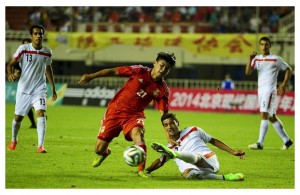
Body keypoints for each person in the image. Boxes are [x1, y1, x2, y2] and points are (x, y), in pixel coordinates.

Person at [78, 52, 176, 178]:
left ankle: (141, 170)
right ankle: (104, 153)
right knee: (98, 149)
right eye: (161, 65)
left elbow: (164, 115)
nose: (163, 70)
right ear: (155, 63)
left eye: (167, 69)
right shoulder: (139, 71)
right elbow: (113, 71)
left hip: (134, 116)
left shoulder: (163, 90)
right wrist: (91, 76)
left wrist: (168, 135)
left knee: (138, 135)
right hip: (115, 111)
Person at [145, 113, 245, 181]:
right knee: (187, 174)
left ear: (177, 123)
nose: (169, 127)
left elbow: (213, 140)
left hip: (208, 160)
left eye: (172, 123)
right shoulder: (169, 147)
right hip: (195, 170)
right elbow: (159, 162)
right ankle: (225, 177)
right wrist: (145, 171)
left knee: (196, 157)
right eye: (166, 125)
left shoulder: (193, 130)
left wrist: (233, 152)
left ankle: (176, 154)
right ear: (164, 128)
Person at [7, 24, 57, 153]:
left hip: (39, 89)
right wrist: (9, 73)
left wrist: (53, 87)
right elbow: (11, 63)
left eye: (40, 33)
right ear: (31, 36)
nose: (38, 36)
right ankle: (14, 139)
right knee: (18, 118)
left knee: (41, 113)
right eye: (35, 33)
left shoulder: (47, 52)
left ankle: (40, 146)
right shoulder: (23, 49)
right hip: (24, 89)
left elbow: (48, 68)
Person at [245, 36, 293, 150]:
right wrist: (250, 58)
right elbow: (248, 72)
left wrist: (284, 84)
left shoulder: (275, 59)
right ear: (259, 46)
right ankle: (287, 140)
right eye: (262, 44)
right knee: (271, 117)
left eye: (266, 44)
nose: (264, 46)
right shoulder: (256, 59)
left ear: (270, 45)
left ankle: (260, 143)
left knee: (264, 114)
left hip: (269, 90)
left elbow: (288, 69)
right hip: (261, 90)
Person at [13, 38, 37, 129]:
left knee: (34, 104)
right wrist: (14, 75)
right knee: (27, 107)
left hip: (35, 85)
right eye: (24, 45)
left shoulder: (36, 58)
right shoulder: (18, 62)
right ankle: (34, 123)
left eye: (28, 44)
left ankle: (40, 115)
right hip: (24, 86)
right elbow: (15, 72)